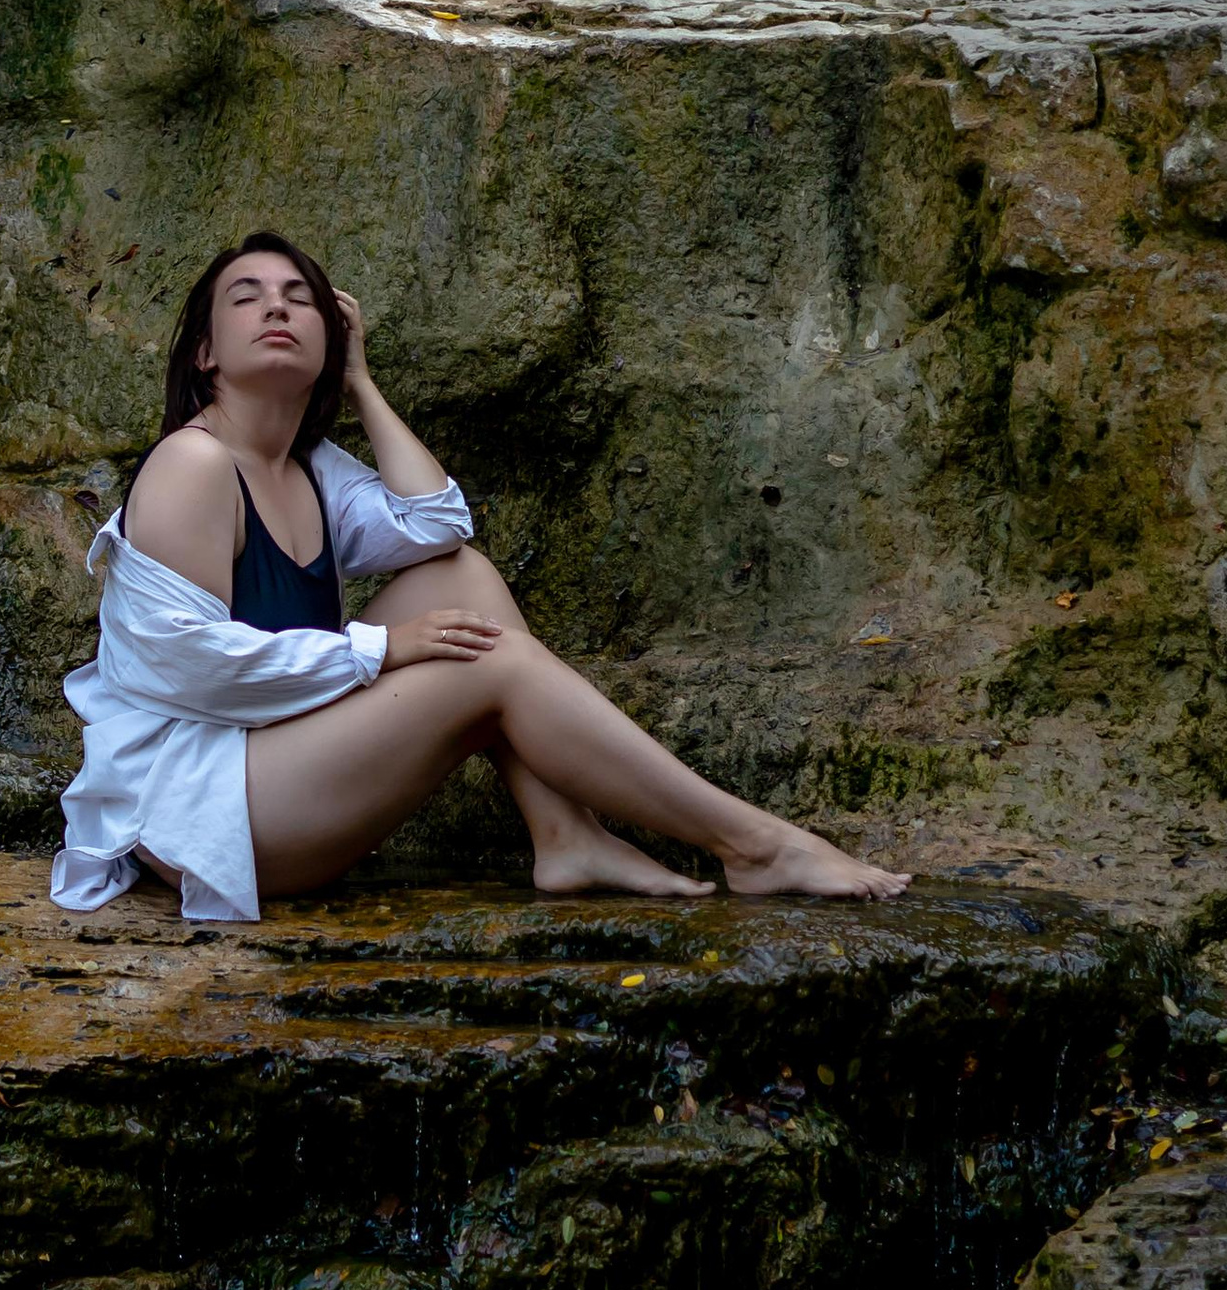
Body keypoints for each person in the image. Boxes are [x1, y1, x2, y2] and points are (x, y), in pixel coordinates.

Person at [50, 228, 910, 925]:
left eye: (300, 298)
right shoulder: (193, 465)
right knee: (491, 662)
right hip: (199, 808)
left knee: (459, 577)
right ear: (204, 351)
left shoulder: (311, 467)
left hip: (275, 772)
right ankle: (755, 846)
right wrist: (383, 649)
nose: (277, 307)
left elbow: (438, 526)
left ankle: (563, 831)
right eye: (248, 299)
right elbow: (188, 670)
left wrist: (361, 383)